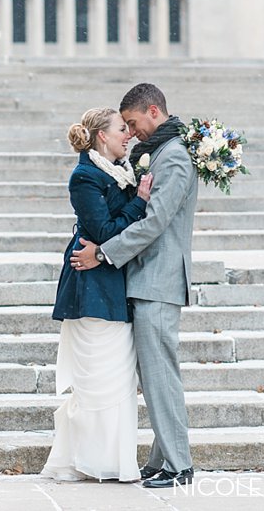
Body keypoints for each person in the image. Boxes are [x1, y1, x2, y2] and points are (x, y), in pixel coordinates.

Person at [71, 83, 197, 489]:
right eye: (123, 125)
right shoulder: (159, 153)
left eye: (132, 122)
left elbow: (154, 222)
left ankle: (179, 466)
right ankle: (164, 460)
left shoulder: (173, 158)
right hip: (147, 278)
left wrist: (104, 253)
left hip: (158, 280)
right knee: (156, 375)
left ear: (154, 111)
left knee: (161, 377)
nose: (132, 130)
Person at [41, 108, 152, 482]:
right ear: (102, 136)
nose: (129, 136)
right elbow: (103, 229)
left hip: (112, 281)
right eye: (123, 129)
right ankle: (87, 460)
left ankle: (113, 461)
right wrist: (139, 201)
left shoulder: (119, 171)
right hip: (90, 287)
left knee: (119, 378)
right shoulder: (85, 177)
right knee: (100, 377)